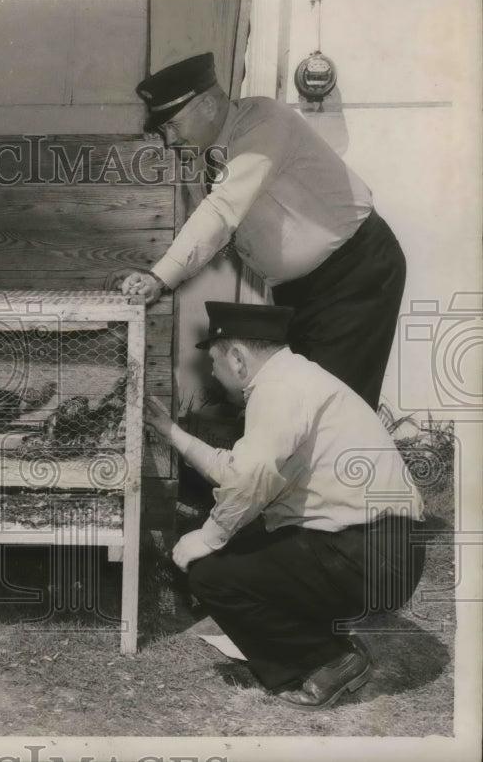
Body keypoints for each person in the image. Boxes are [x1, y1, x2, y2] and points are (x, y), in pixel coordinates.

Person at [144, 301, 425, 710]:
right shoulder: (296, 378)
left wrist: (208, 537)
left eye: (214, 361)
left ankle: (327, 659)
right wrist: (170, 431)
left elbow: (250, 477)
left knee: (211, 575)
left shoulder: (278, 389)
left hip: (368, 555)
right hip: (380, 550)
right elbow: (237, 470)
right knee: (246, 544)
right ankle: (320, 636)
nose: (212, 372)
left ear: (237, 358)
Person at [108, 52, 406, 410]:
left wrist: (159, 278)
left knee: (330, 411)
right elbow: (214, 231)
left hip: (354, 276)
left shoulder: (264, 122)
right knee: (300, 409)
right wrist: (148, 275)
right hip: (301, 292)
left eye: (173, 125)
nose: (169, 140)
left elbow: (221, 212)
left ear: (207, 106)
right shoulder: (205, 156)